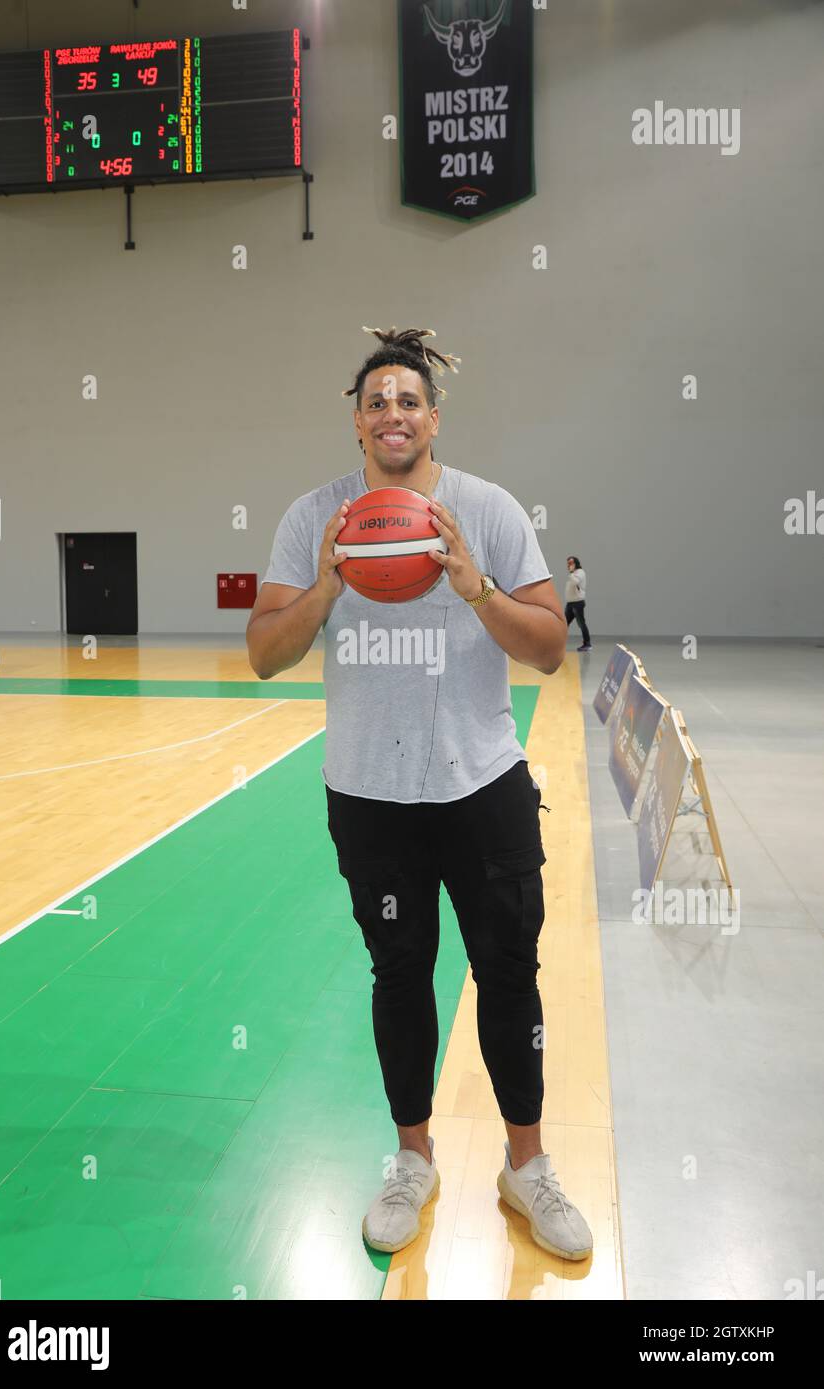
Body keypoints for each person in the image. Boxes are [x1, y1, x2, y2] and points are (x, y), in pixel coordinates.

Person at [247, 326, 593, 1263]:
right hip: (369, 795)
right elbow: (264, 655)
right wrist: (325, 586)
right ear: (356, 420)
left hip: (482, 787)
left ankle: (527, 1167)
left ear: (432, 417)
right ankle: (412, 1158)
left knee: (509, 972)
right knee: (399, 977)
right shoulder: (313, 518)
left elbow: (550, 647)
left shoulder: (487, 507)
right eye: (376, 401)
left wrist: (476, 587)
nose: (392, 414)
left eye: (409, 400)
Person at [564, 555, 591, 651]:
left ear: (576, 563)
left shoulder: (580, 572)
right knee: (563, 623)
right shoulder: (573, 574)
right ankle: (558, 643)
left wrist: (571, 573)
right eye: (568, 563)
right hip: (571, 603)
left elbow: (576, 582)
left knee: (581, 624)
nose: (569, 565)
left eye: (571, 563)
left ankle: (587, 644)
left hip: (577, 603)